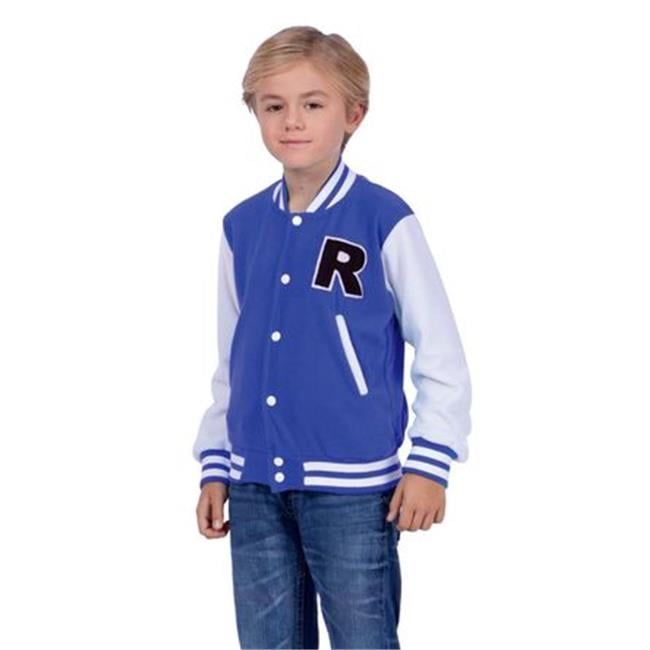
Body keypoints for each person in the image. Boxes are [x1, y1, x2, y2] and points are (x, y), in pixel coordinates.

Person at [193, 25, 472, 650]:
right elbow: (233, 360)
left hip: (353, 489)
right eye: (274, 106)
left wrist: (431, 461)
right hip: (254, 484)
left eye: (312, 104)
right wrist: (216, 462)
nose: (292, 121)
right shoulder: (241, 226)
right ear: (255, 113)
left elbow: (440, 350)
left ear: (353, 114)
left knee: (363, 640)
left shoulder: (383, 218)